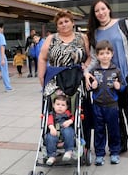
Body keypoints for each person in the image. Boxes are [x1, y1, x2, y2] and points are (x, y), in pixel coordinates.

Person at [85, 0, 128, 161]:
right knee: (115, 114)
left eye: (103, 9)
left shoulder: (123, 24)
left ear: (109, 9)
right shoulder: (95, 32)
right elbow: (93, 58)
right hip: (106, 80)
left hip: (125, 75)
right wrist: (86, 72)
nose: (101, 13)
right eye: (97, 11)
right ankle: (121, 143)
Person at [37, 9, 91, 155]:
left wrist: (85, 67)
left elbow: (89, 56)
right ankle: (52, 142)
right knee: (52, 108)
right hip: (55, 77)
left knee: (79, 107)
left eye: (67, 21)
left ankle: (82, 143)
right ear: (57, 26)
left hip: (76, 76)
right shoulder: (51, 38)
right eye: (60, 23)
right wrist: (41, 77)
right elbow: (42, 58)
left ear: (72, 23)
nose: (64, 24)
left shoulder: (82, 37)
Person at [89, 40, 125, 165]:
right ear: (97, 55)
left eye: (107, 53)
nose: (105, 56)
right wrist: (92, 86)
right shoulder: (94, 71)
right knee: (99, 130)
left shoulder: (117, 71)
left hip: (112, 106)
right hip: (97, 106)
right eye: (102, 53)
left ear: (112, 54)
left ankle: (114, 152)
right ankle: (99, 154)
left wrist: (118, 86)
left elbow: (123, 86)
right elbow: (88, 86)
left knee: (114, 130)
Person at [45, 95, 75, 166]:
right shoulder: (52, 114)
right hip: (55, 131)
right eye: (57, 104)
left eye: (63, 105)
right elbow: (49, 122)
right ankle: (52, 156)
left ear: (67, 107)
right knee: (49, 137)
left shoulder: (67, 113)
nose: (60, 107)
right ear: (53, 105)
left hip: (66, 130)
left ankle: (68, 151)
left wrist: (70, 121)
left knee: (68, 131)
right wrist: (52, 127)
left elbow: (74, 118)